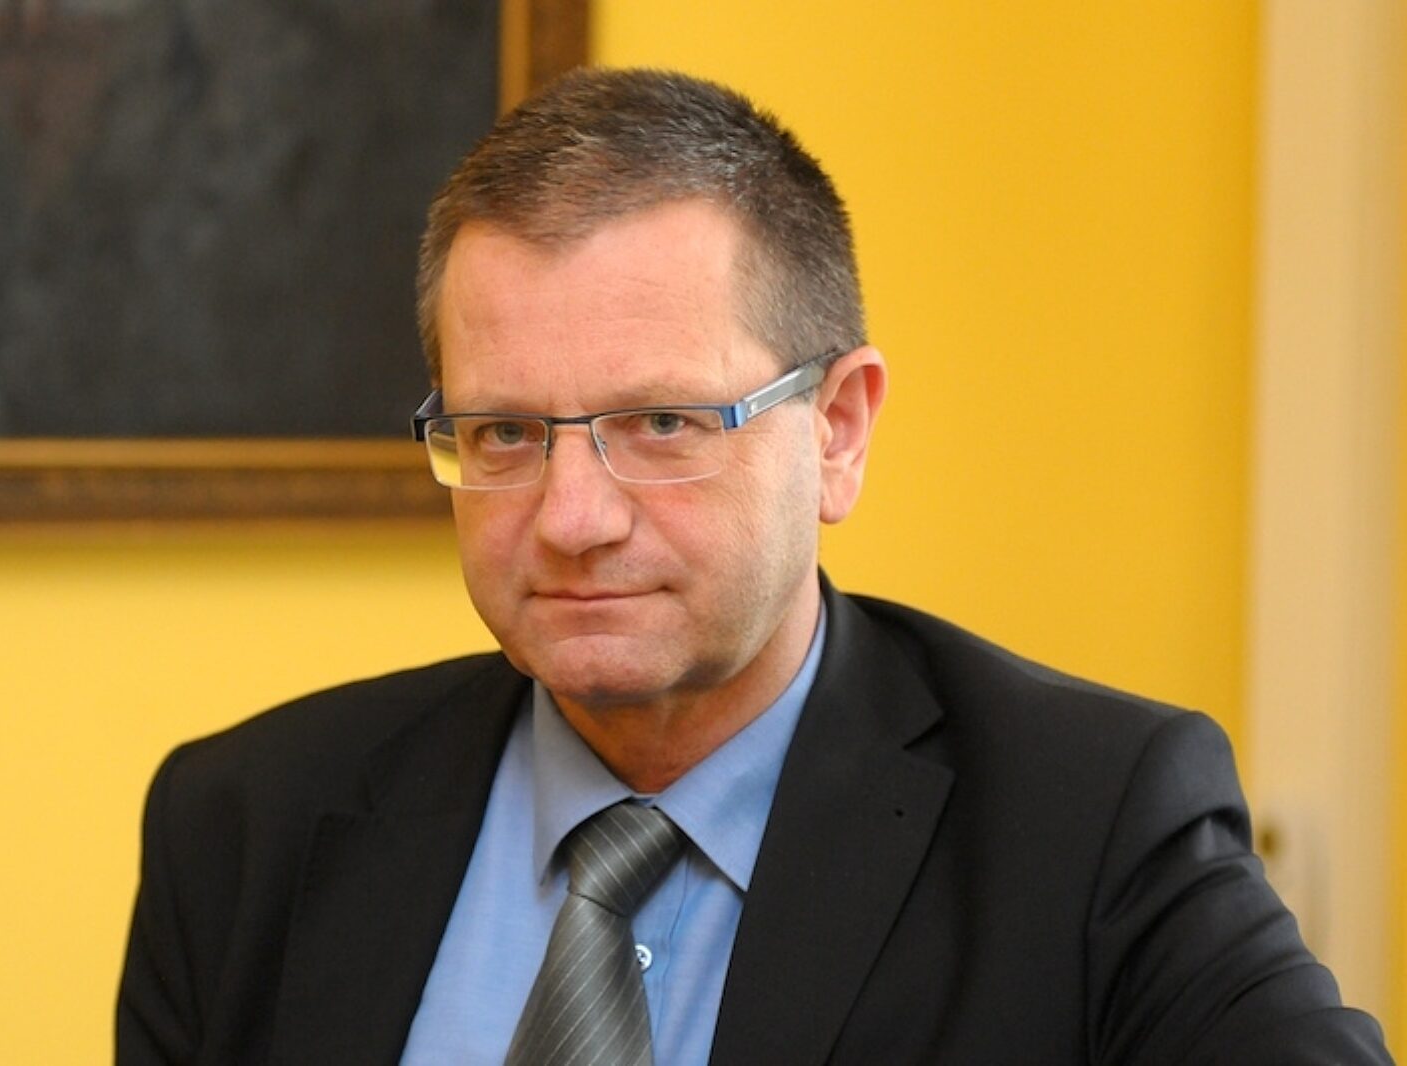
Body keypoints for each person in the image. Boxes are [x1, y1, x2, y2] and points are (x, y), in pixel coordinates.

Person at [116, 68, 1393, 1065]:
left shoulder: (1088, 824)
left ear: (836, 431)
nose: (570, 517)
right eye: (503, 432)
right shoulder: (244, 825)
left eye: (661, 423)